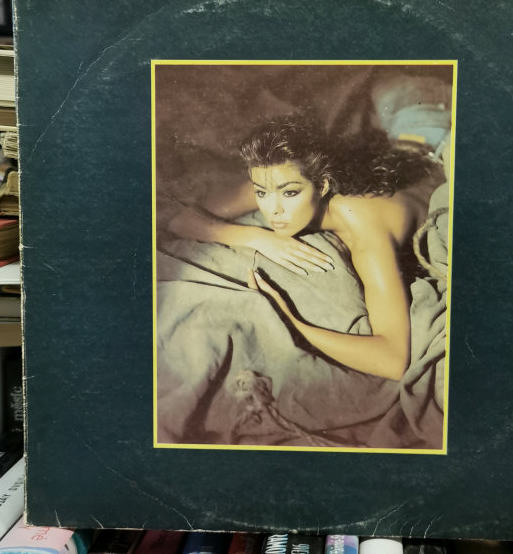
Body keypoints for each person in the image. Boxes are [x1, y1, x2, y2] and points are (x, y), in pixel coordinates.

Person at [167, 116, 445, 382]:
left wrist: (290, 321)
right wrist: (256, 237)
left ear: (322, 186)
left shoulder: (365, 232)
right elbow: (179, 219)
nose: (273, 210)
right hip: (404, 158)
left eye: (290, 193)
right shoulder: (277, 178)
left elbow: (392, 360)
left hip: (436, 173)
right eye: (261, 193)